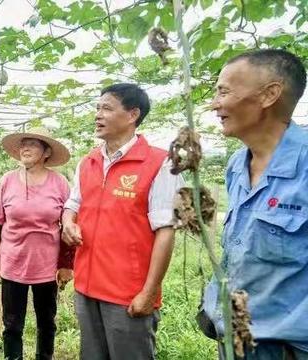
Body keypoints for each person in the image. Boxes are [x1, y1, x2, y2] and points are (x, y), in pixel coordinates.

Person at [62, 83, 184, 360]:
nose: (98, 115)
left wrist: (149, 293)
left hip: (128, 294)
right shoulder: (88, 162)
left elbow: (165, 232)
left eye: (107, 108)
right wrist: (68, 222)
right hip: (86, 288)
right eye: (97, 108)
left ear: (132, 115)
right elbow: (72, 205)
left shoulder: (160, 164)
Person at [201, 49, 308, 359]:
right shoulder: (237, 164)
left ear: (269, 94)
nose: (215, 103)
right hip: (237, 336)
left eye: (224, 91)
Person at [0, 127, 74, 360]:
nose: (25, 148)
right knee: (12, 324)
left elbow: (69, 224)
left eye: (33, 144)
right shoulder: (7, 180)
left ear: (46, 152)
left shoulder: (59, 183)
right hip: (13, 262)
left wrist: (67, 264)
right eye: (23, 144)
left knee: (47, 322)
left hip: (46, 266)